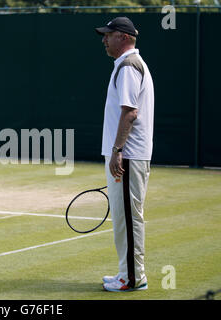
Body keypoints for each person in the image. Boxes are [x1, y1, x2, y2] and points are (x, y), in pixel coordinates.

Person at [95, 17, 154, 292]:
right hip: (126, 156)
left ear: (124, 37)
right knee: (123, 217)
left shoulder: (129, 66)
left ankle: (133, 278)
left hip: (128, 155)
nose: (104, 39)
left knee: (129, 218)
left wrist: (117, 151)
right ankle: (126, 272)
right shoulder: (125, 65)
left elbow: (130, 112)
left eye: (108, 35)